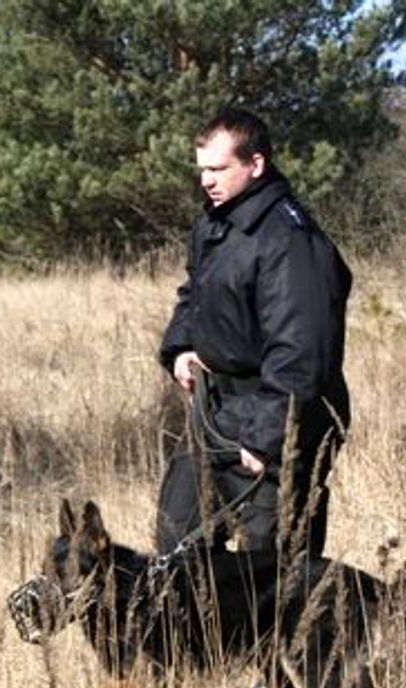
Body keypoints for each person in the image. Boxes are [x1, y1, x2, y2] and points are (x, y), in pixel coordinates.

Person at [157, 109, 352, 560]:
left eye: (218, 169)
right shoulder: (214, 223)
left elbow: (302, 350)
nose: (206, 180)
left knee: (273, 574)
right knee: (178, 553)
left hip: (281, 419)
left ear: (256, 164)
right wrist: (181, 347)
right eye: (202, 168)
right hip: (215, 412)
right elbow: (195, 294)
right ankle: (208, 636)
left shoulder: (290, 238)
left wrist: (267, 438)